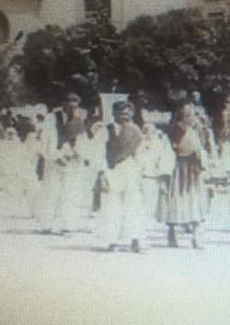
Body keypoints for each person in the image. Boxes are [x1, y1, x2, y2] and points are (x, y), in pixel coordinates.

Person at [95, 101, 146, 252]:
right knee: (112, 206)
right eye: (121, 113)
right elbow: (99, 152)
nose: (124, 117)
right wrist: (102, 172)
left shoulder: (136, 131)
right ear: (114, 114)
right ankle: (113, 240)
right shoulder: (106, 130)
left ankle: (135, 239)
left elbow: (141, 153)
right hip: (112, 170)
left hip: (131, 170)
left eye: (127, 114)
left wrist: (140, 172)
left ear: (131, 114)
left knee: (133, 206)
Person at [158, 104, 208, 249]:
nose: (193, 118)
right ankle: (172, 233)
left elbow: (201, 149)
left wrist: (202, 163)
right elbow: (169, 150)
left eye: (193, 115)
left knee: (195, 201)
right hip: (178, 170)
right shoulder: (175, 131)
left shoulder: (198, 130)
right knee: (176, 200)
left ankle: (196, 236)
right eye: (188, 115)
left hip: (194, 170)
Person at [38, 92, 88, 235]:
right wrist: (54, 156)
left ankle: (67, 226)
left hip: (71, 162)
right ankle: (46, 225)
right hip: (54, 161)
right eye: (70, 107)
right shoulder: (51, 118)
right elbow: (44, 141)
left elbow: (82, 141)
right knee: (50, 192)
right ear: (63, 105)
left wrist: (78, 153)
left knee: (69, 194)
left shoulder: (79, 120)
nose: (72, 110)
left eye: (75, 107)